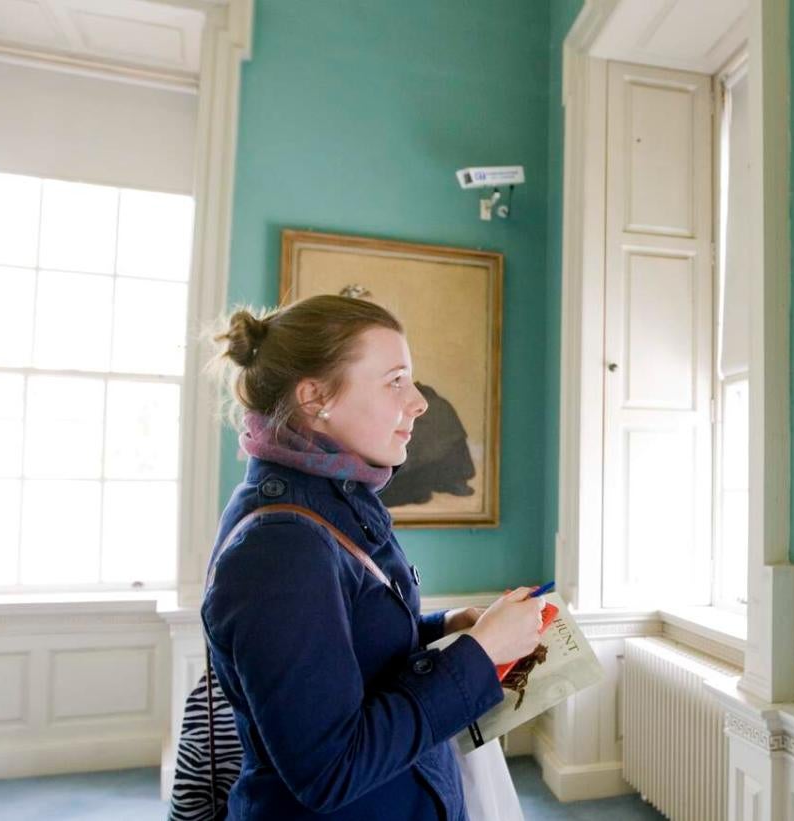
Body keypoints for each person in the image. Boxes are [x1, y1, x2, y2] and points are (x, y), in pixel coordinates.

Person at [203, 294, 544, 818]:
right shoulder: (280, 548)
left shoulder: (331, 500)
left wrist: (448, 626)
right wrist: (478, 652)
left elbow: (349, 643)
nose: (419, 402)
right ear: (316, 397)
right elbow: (330, 769)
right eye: (395, 381)